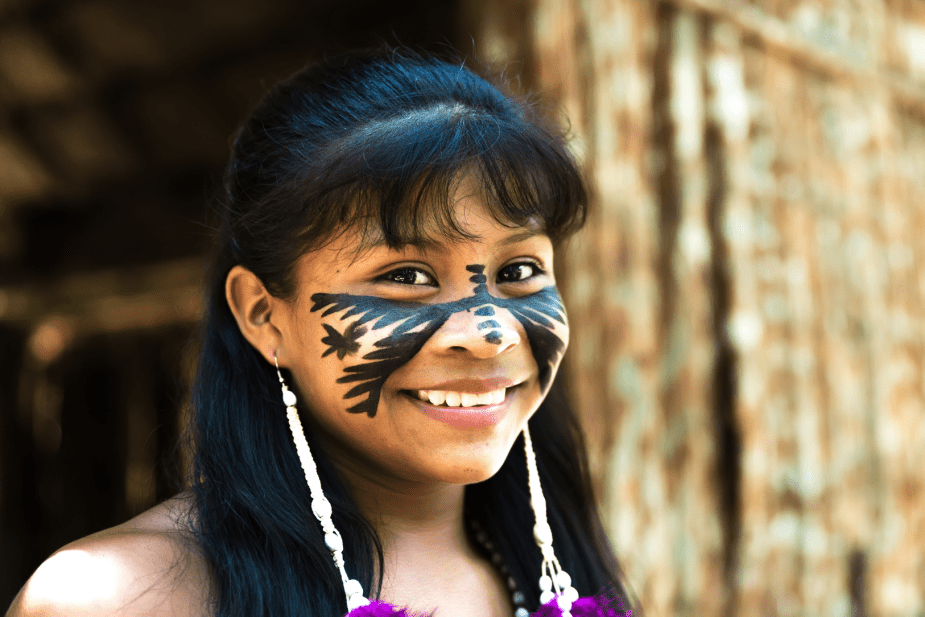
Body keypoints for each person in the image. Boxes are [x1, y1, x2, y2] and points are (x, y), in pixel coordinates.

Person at [7, 50, 631, 617]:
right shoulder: (113, 599)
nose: (489, 334)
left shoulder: (562, 576)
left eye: (519, 270)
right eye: (407, 275)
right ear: (263, 316)